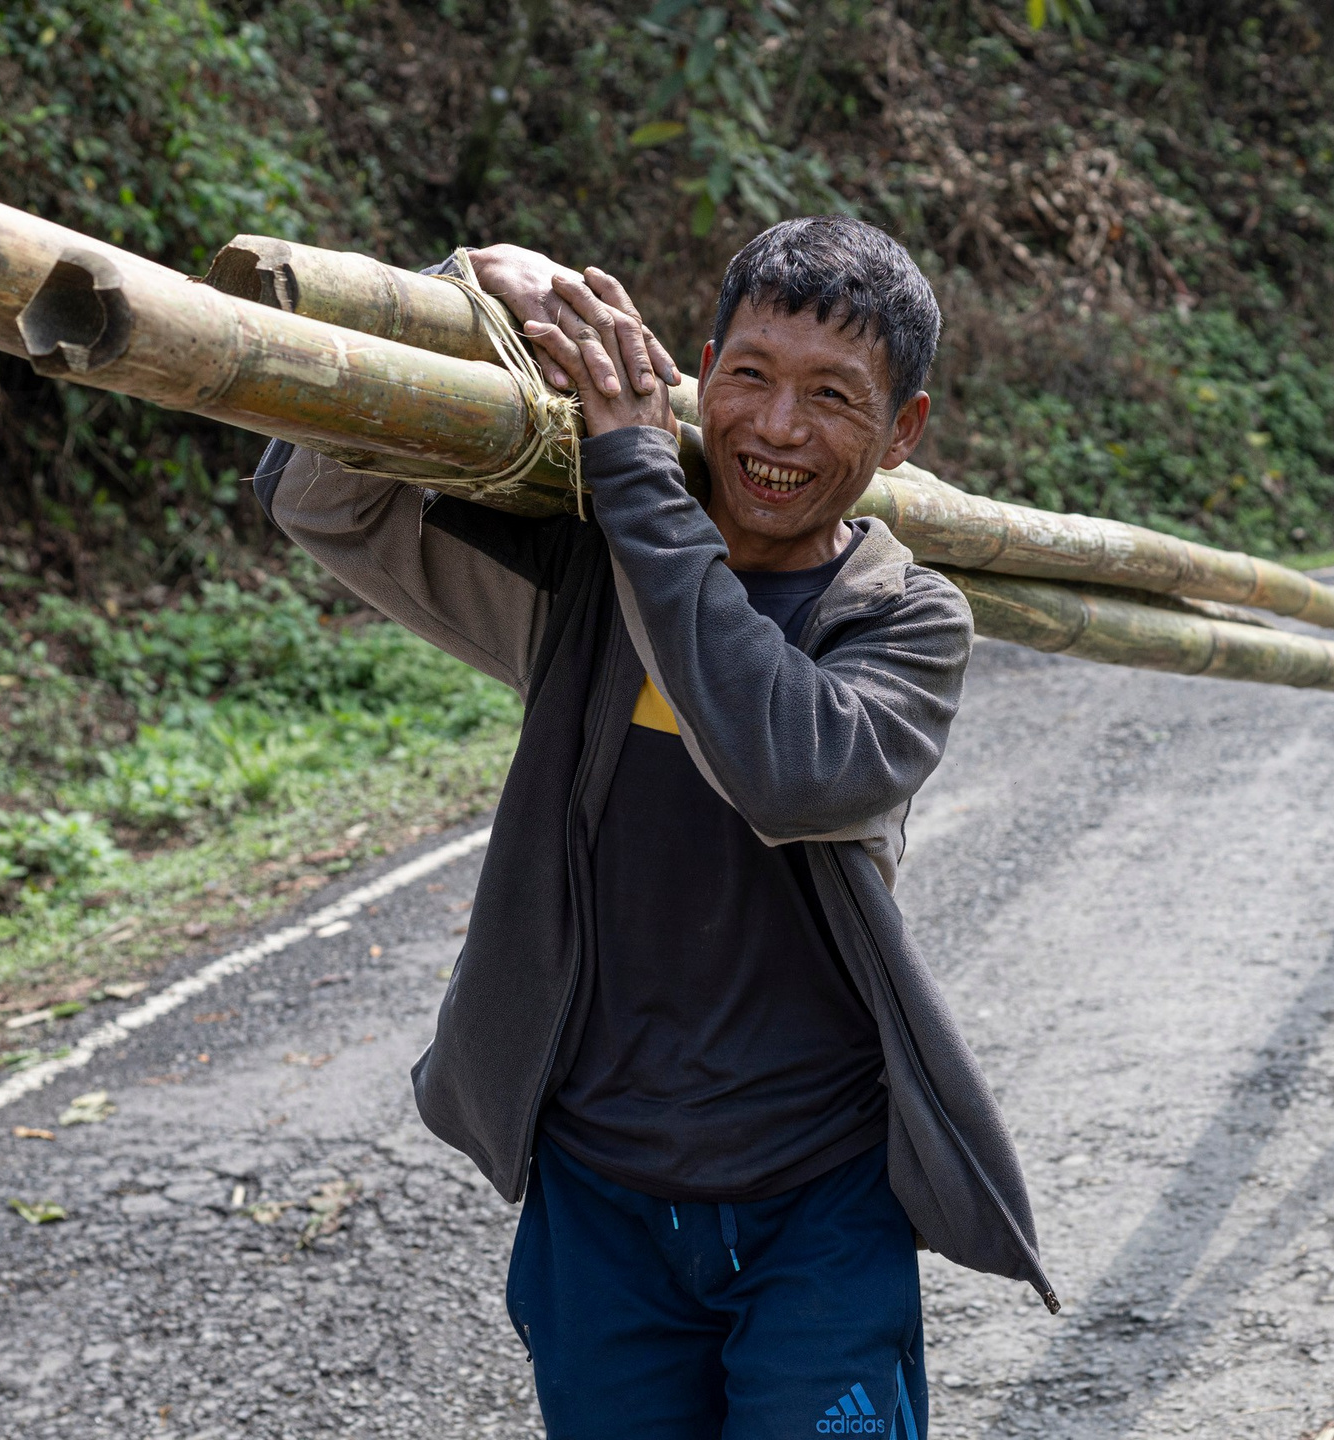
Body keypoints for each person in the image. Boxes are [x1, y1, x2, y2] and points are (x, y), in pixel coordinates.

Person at [249, 216, 1051, 1439]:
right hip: (600, 1201)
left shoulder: (902, 620)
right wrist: (456, 292)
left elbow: (791, 769)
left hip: (817, 1199)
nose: (778, 430)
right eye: (750, 377)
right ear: (699, 370)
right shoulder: (588, 573)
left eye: (833, 396)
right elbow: (324, 497)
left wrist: (633, 476)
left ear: (902, 432)